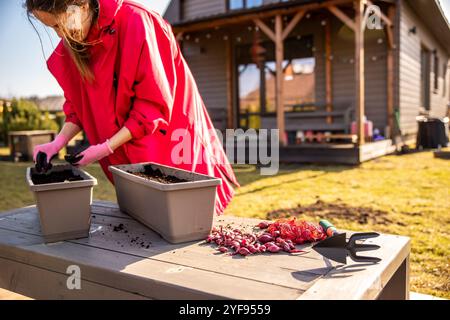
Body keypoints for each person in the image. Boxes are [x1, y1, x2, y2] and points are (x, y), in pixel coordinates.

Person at [28, 0, 239, 214]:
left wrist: (107, 147)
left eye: (58, 25)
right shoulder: (77, 41)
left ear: (81, 6)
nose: (60, 35)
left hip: (170, 146)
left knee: (188, 219)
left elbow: (151, 105)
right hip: (130, 162)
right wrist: (59, 141)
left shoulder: (137, 22)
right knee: (147, 224)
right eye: (52, 28)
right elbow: (79, 105)